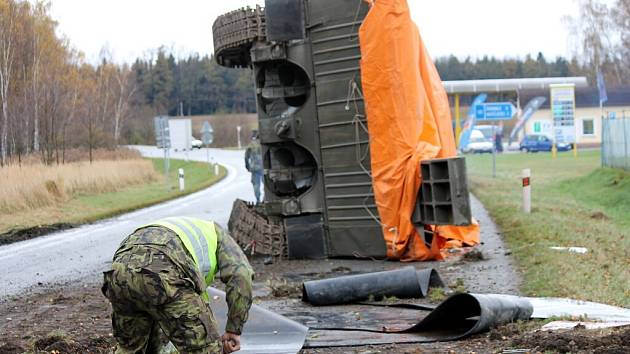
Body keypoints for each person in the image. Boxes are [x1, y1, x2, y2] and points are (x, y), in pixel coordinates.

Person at [101, 217, 254, 354]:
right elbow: (241, 276)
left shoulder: (178, 229)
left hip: (118, 274)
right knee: (205, 350)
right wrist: (234, 329)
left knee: (131, 348)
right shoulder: (219, 236)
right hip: (162, 273)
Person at [245, 130, 264, 203]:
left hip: (254, 168)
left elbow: (246, 157)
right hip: (264, 167)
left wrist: (247, 166)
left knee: (256, 184)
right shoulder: (263, 144)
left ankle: (258, 199)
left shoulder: (251, 145)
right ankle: (265, 199)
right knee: (267, 184)